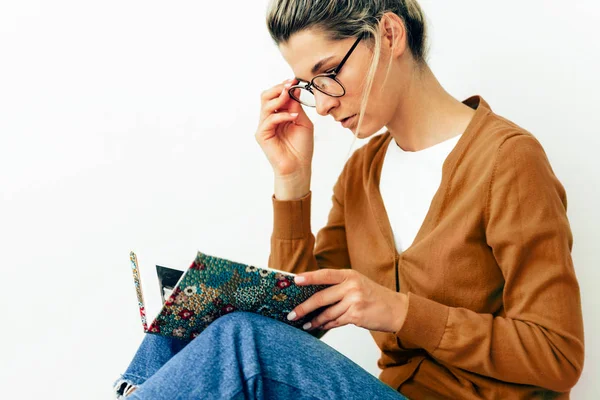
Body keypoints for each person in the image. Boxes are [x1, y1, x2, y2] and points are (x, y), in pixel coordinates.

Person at [113, 0, 585, 398]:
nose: (323, 103)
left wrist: (399, 310)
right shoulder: (363, 172)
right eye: (309, 86)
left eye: (329, 73)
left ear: (390, 34)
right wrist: (292, 182)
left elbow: (558, 355)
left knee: (242, 340)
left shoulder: (508, 160)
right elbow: (295, 320)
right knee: (185, 319)